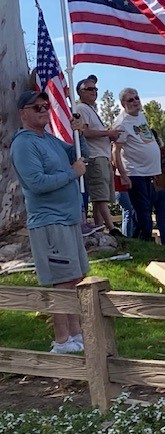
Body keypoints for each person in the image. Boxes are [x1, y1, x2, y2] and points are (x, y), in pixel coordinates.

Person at [10, 91, 90, 353]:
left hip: (68, 219)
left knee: (75, 277)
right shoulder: (24, 144)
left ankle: (76, 334)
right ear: (23, 113)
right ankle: (62, 340)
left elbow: (80, 155)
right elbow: (36, 183)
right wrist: (71, 173)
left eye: (45, 106)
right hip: (49, 221)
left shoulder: (50, 140)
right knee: (62, 280)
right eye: (37, 107)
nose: (43, 110)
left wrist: (79, 133)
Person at [75, 74, 122, 236]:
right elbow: (85, 132)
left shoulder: (91, 109)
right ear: (80, 92)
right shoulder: (81, 108)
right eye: (89, 89)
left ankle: (99, 228)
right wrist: (108, 133)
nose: (94, 91)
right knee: (100, 195)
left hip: (102, 155)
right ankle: (112, 228)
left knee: (100, 196)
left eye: (95, 89)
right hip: (95, 156)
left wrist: (108, 134)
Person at [113, 88, 162, 241]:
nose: (135, 102)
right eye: (130, 100)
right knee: (143, 208)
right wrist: (123, 175)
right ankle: (147, 239)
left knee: (146, 208)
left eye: (137, 98)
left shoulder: (140, 116)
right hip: (134, 172)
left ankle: (137, 239)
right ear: (123, 104)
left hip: (147, 171)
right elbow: (116, 151)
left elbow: (146, 140)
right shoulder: (121, 123)